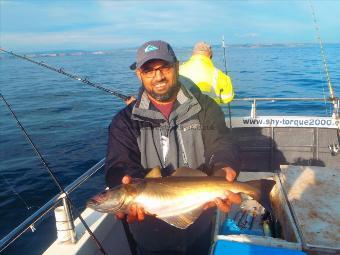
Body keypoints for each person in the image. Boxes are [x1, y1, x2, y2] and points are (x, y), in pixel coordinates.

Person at [105, 40, 241, 255]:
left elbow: (222, 144)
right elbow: (119, 164)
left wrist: (223, 167)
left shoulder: (205, 107)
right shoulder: (124, 121)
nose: (158, 77)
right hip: (150, 230)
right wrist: (126, 181)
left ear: (177, 67)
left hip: (199, 216)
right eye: (148, 70)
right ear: (139, 75)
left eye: (164, 67)